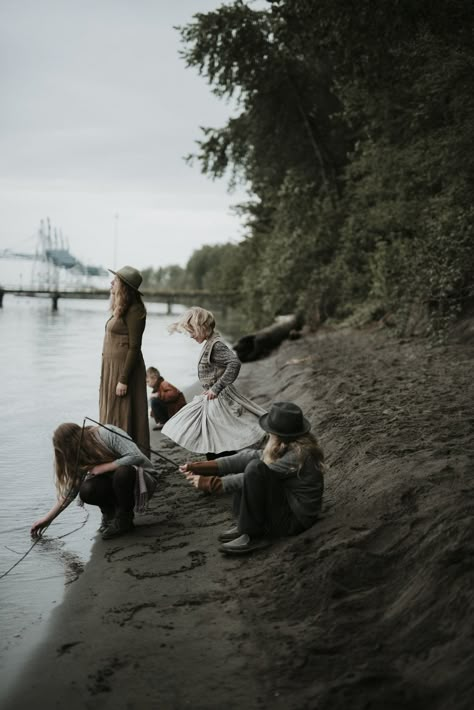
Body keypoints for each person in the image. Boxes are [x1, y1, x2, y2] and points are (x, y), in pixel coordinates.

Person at [180, 402, 324, 555]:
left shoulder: (298, 454)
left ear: (280, 435)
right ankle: (246, 525)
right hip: (290, 508)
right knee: (251, 460)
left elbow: (255, 476)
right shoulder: (290, 444)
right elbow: (248, 457)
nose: (269, 434)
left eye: (271, 431)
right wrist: (199, 467)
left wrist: (211, 484)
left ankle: (254, 535)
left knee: (255, 469)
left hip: (295, 521)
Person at [161, 306, 266, 457]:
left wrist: (216, 388)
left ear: (201, 327)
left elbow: (234, 363)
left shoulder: (216, 346)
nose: (190, 336)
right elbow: (216, 370)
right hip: (213, 397)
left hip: (220, 398)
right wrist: (210, 386)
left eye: (191, 331)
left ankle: (220, 467)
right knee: (215, 435)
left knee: (219, 436)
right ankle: (218, 465)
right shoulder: (210, 343)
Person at [30, 422, 159, 540]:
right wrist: (48, 519)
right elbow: (70, 492)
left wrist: (105, 467)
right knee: (86, 490)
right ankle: (110, 515)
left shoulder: (106, 433)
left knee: (123, 472)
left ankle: (124, 519)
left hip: (144, 481)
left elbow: (136, 457)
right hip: (117, 486)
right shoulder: (81, 453)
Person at [99, 265, 150, 454]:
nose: (112, 282)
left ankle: (127, 458)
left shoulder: (135, 311)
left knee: (123, 413)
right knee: (111, 411)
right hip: (111, 368)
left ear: (125, 287)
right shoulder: (121, 308)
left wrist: (123, 379)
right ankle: (111, 454)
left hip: (124, 371)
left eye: (116, 280)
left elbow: (135, 347)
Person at [146, 366, 186, 431]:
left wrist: (158, 395)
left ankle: (163, 422)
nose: (147, 384)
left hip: (177, 411)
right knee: (154, 399)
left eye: (148, 381)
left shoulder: (164, 384)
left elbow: (174, 394)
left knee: (154, 400)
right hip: (171, 411)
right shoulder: (157, 388)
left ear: (155, 378)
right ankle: (163, 421)